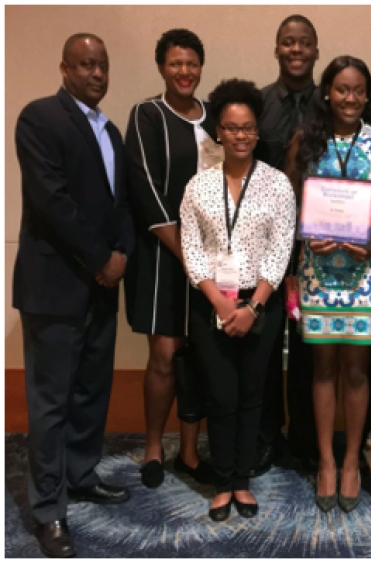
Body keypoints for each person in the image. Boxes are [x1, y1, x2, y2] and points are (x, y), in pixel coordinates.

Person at [13, 33, 134, 557]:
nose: (96, 74)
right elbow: (52, 201)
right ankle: (48, 510)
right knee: (50, 403)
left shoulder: (112, 131)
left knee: (90, 392)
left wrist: (123, 253)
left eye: (102, 65)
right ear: (64, 68)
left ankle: (82, 474)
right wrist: (100, 258)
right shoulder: (39, 118)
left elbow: (122, 201)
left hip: (103, 286)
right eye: (85, 65)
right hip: (55, 286)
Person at [286, 55, 371, 512]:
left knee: (355, 371)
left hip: (365, 273)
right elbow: (288, 201)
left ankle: (352, 461)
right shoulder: (303, 140)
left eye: (358, 90)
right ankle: (327, 462)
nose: (350, 98)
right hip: (316, 273)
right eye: (341, 89)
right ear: (327, 93)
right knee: (322, 370)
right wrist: (304, 235)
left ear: (367, 95)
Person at [180, 79, 296, 521]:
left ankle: (243, 480)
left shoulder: (277, 184)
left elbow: (280, 249)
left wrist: (252, 307)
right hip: (211, 303)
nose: (241, 136)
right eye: (231, 128)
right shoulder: (198, 186)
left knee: (252, 393)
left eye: (248, 128)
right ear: (220, 133)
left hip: (258, 305)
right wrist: (222, 305)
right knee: (220, 394)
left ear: (257, 130)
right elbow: (192, 250)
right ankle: (223, 480)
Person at [124, 29, 219, 489]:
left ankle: (190, 451)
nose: (185, 72)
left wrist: (213, 256)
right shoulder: (146, 114)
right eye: (176, 64)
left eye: (192, 63)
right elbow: (143, 186)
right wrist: (188, 255)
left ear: (201, 67)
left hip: (217, 256)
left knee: (201, 354)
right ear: (162, 67)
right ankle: (154, 448)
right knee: (164, 353)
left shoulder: (217, 117)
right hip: (165, 256)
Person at [254, 14, 320, 476]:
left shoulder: (332, 102)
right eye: (288, 42)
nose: (296, 50)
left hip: (317, 244)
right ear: (277, 49)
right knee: (263, 338)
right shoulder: (257, 105)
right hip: (261, 242)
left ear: (316, 50)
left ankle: (305, 439)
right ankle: (265, 435)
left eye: (304, 43)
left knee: (307, 344)